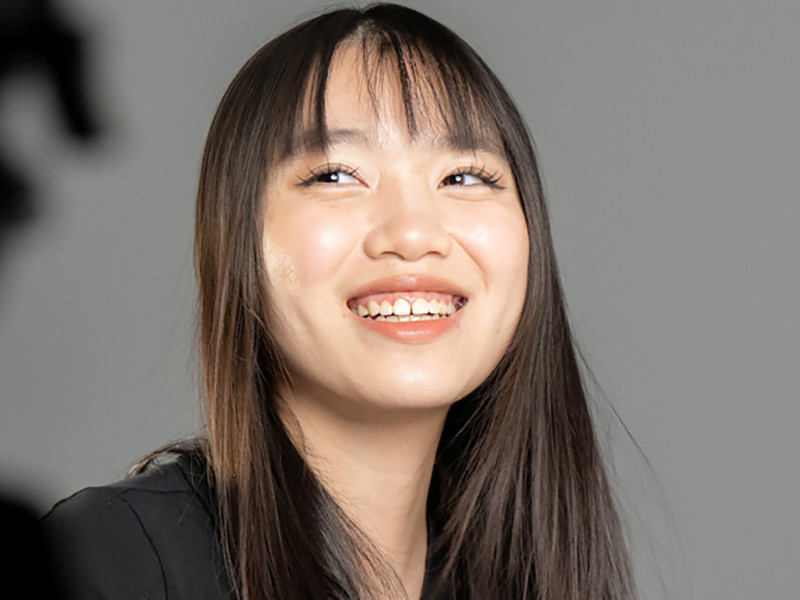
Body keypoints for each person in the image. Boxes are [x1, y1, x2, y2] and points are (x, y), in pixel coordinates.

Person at [45, 4, 636, 599]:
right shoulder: (111, 559)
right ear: (236, 238)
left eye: (463, 177)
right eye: (335, 175)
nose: (412, 234)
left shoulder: (522, 578)